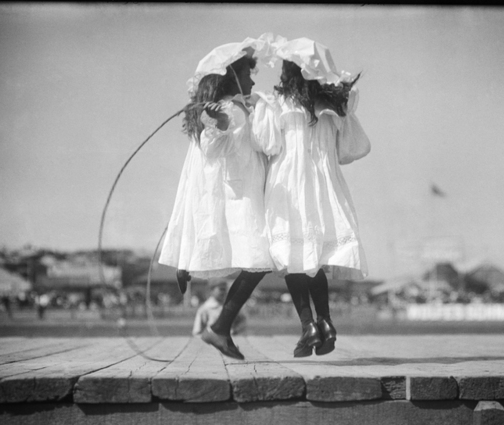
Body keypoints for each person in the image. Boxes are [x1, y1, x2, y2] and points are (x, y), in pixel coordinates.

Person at [251, 37, 371, 357]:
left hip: (290, 185)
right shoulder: (334, 106)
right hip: (323, 185)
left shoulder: (277, 103)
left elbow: (266, 144)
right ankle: (326, 321)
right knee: (312, 258)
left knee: (293, 257)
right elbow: (352, 149)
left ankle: (308, 325)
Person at [158, 36, 276, 359]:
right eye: (248, 74)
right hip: (239, 196)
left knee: (257, 261)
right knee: (259, 261)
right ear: (232, 77)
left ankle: (218, 322)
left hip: (240, 191)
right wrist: (221, 123)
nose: (253, 80)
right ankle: (220, 328)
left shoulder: (236, 107)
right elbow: (213, 145)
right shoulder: (228, 109)